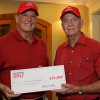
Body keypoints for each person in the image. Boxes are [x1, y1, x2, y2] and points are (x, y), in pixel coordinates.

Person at [0, 1, 50, 100]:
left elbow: (48, 68)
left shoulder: (41, 43)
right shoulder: (2, 42)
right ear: (16, 18)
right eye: (25, 15)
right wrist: (2, 87)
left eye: (33, 16)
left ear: (36, 20)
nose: (29, 19)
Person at [53, 6, 100, 100]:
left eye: (74, 20)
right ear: (62, 26)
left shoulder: (96, 47)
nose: (70, 24)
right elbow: (55, 77)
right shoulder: (59, 49)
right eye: (66, 21)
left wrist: (78, 89)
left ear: (81, 23)